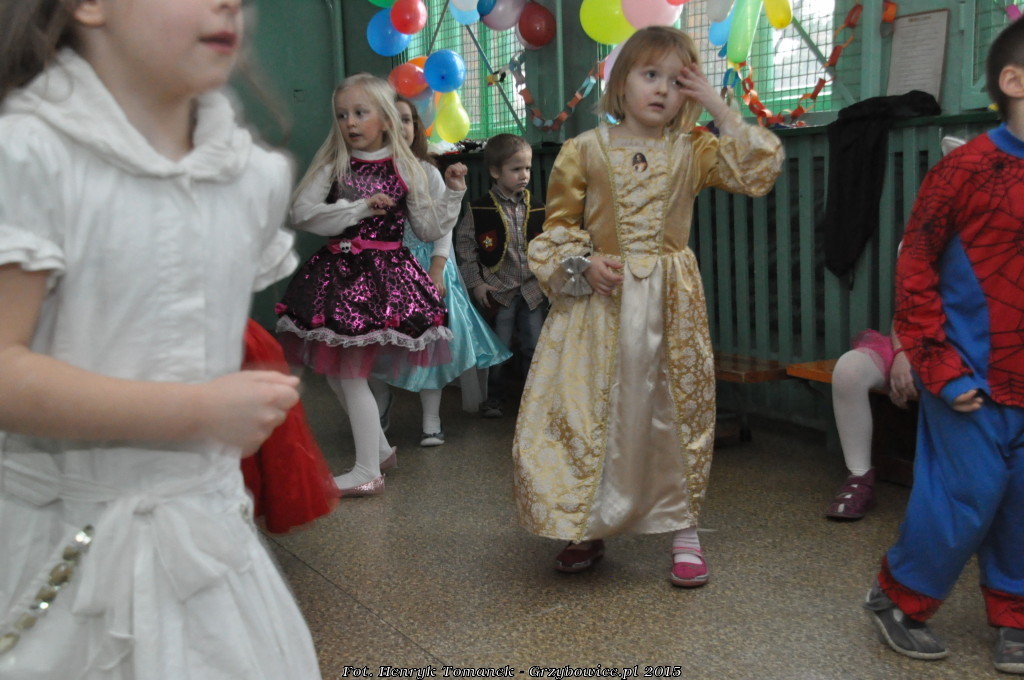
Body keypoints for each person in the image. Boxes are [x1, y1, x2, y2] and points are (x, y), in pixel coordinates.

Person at [0, 0, 321, 677]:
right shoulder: (28, 155)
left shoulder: (251, 176)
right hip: (57, 547)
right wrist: (196, 412)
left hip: (209, 552)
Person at [511, 26, 783, 586]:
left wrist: (721, 111)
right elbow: (555, 230)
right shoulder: (584, 150)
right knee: (590, 411)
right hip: (599, 307)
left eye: (677, 81)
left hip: (669, 306)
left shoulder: (695, 150)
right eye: (650, 74)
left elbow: (757, 171)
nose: (662, 89)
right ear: (621, 82)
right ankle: (586, 526)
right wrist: (583, 265)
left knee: (672, 412)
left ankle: (683, 529)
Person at [863, 19, 1024, 673]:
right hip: (968, 378)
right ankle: (899, 598)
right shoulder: (963, 171)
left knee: (1021, 504)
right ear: (1014, 82)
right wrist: (936, 364)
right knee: (965, 497)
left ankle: (1014, 616)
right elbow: (915, 271)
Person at [275, 74, 467, 494]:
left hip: (381, 281)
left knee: (349, 374)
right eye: (342, 114)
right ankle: (378, 451)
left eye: (360, 113)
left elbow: (428, 227)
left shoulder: (406, 167)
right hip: (337, 277)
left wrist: (452, 194)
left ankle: (367, 471)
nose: (350, 122)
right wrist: (358, 209)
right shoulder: (335, 165)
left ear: (384, 117)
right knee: (335, 373)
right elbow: (302, 214)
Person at [368, 98, 511, 446]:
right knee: (375, 343)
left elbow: (442, 226)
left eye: (406, 120)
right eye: (391, 119)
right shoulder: (368, 173)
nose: (400, 126)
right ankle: (380, 403)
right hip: (381, 269)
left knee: (428, 347)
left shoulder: (427, 172)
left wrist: (436, 268)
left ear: (415, 127)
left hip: (423, 265)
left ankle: (431, 419)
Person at [455, 133, 547, 418]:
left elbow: (549, 246)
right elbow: (466, 248)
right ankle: (494, 397)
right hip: (499, 290)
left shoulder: (538, 207)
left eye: (527, 168)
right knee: (500, 346)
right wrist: (477, 284)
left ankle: (533, 398)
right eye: (516, 169)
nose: (524, 175)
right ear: (496, 172)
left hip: (532, 290)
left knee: (534, 345)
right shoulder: (479, 208)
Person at [827, 326, 917, 519]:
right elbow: (902, 318)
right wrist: (901, 355)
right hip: (908, 345)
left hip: (962, 353)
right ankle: (859, 476)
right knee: (849, 369)